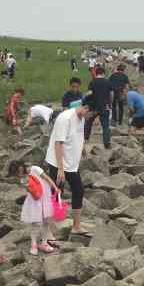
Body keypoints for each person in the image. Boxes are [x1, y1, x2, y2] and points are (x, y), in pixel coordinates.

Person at [45, 96, 92, 235]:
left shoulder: (82, 117)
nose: (90, 118)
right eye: (91, 114)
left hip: (71, 163)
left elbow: (79, 135)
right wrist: (60, 169)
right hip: (57, 162)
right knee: (56, 193)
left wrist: (82, 149)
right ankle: (50, 227)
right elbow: (58, 143)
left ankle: (76, 226)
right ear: (86, 108)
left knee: (79, 191)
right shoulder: (65, 118)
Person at [20, 163, 61, 255]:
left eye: (19, 171)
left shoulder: (35, 169)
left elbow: (46, 178)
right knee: (36, 223)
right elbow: (31, 191)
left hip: (45, 197)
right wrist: (27, 186)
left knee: (46, 221)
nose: (19, 174)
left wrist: (55, 188)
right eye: (16, 173)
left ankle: (44, 243)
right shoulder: (23, 179)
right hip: (35, 200)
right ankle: (33, 245)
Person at [85, 65, 113, 149]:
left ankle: (86, 138)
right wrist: (110, 104)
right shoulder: (108, 82)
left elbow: (89, 94)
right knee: (105, 126)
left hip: (93, 107)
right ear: (103, 73)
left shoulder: (92, 82)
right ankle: (106, 143)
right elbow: (111, 94)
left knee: (89, 123)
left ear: (96, 73)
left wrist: (87, 104)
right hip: (105, 106)